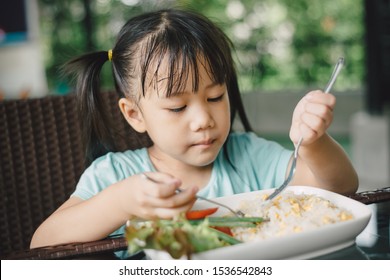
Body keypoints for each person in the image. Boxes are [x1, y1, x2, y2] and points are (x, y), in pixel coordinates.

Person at [30, 8, 358, 255]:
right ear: (134, 114)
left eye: (215, 97)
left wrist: (314, 144)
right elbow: (42, 245)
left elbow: (340, 188)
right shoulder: (116, 175)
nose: (203, 119)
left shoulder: (249, 156)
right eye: (177, 107)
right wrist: (122, 202)